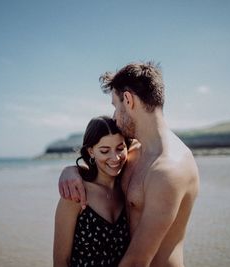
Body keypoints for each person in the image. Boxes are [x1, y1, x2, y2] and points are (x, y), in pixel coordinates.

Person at [58, 62, 200, 267]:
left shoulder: (169, 169)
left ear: (128, 99)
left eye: (115, 106)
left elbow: (137, 261)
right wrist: (71, 171)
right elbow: (104, 169)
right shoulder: (132, 152)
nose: (114, 117)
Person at [53, 116, 131, 267]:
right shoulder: (75, 194)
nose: (115, 157)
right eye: (104, 151)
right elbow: (61, 261)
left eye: (120, 149)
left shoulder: (128, 189)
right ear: (91, 152)